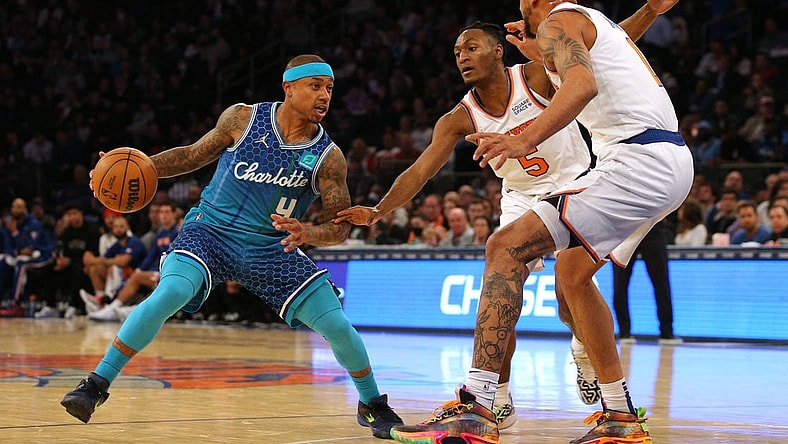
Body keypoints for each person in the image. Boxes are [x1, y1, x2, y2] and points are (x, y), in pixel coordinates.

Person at [335, 1, 674, 434]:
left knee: (571, 292)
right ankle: (499, 399)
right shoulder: (459, 117)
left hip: (575, 177)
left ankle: (583, 352)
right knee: (502, 290)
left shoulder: (533, 75)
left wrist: (650, 10)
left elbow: (605, 48)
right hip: (519, 196)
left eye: (471, 47)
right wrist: (379, 210)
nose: (462, 57)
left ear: (498, 51)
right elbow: (420, 170)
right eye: (457, 52)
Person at [60, 54, 403, 439]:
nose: (324, 95)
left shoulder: (329, 157)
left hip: (272, 248)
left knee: (338, 325)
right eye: (315, 86)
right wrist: (131, 165)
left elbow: (338, 227)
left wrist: (308, 233)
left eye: (329, 89)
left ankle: (372, 404)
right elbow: (191, 156)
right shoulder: (243, 118)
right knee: (169, 292)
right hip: (211, 232)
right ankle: (95, 386)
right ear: (288, 87)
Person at [88, 202, 180, 322]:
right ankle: (113, 306)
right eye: (161, 212)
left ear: (174, 214)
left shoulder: (179, 233)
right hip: (155, 272)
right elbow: (150, 256)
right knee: (134, 275)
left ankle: (113, 307)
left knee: (133, 275)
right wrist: (139, 270)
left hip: (171, 273)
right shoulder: (160, 234)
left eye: (167, 212)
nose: (163, 215)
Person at [27, 201, 101, 319]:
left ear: (81, 214)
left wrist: (69, 261)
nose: (72, 217)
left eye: (75, 213)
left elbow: (90, 254)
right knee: (48, 268)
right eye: (69, 214)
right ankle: (51, 306)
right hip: (70, 263)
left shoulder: (92, 230)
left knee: (76, 270)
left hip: (84, 264)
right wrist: (61, 261)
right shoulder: (67, 231)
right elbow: (63, 252)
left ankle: (74, 305)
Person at [613, 221, 681, 345]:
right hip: (627, 230)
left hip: (648, 226)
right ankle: (624, 332)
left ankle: (666, 332)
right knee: (621, 284)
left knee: (661, 283)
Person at [79, 216, 148, 313]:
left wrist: (95, 260)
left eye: (121, 226)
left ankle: (109, 301)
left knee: (114, 266)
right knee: (95, 268)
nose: (118, 230)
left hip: (135, 275)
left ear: (127, 227)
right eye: (115, 227)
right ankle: (100, 300)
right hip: (122, 277)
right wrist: (92, 262)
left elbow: (123, 261)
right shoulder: (117, 245)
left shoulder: (134, 242)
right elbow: (104, 259)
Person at [0, 198, 55, 317]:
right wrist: (16, 250)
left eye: (19, 207)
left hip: (43, 254)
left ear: (25, 209)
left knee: (21, 264)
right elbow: (8, 248)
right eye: (14, 206)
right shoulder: (10, 224)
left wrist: (15, 233)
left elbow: (29, 249)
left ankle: (16, 304)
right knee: (3, 261)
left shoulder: (33, 224)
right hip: (21, 256)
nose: (16, 209)